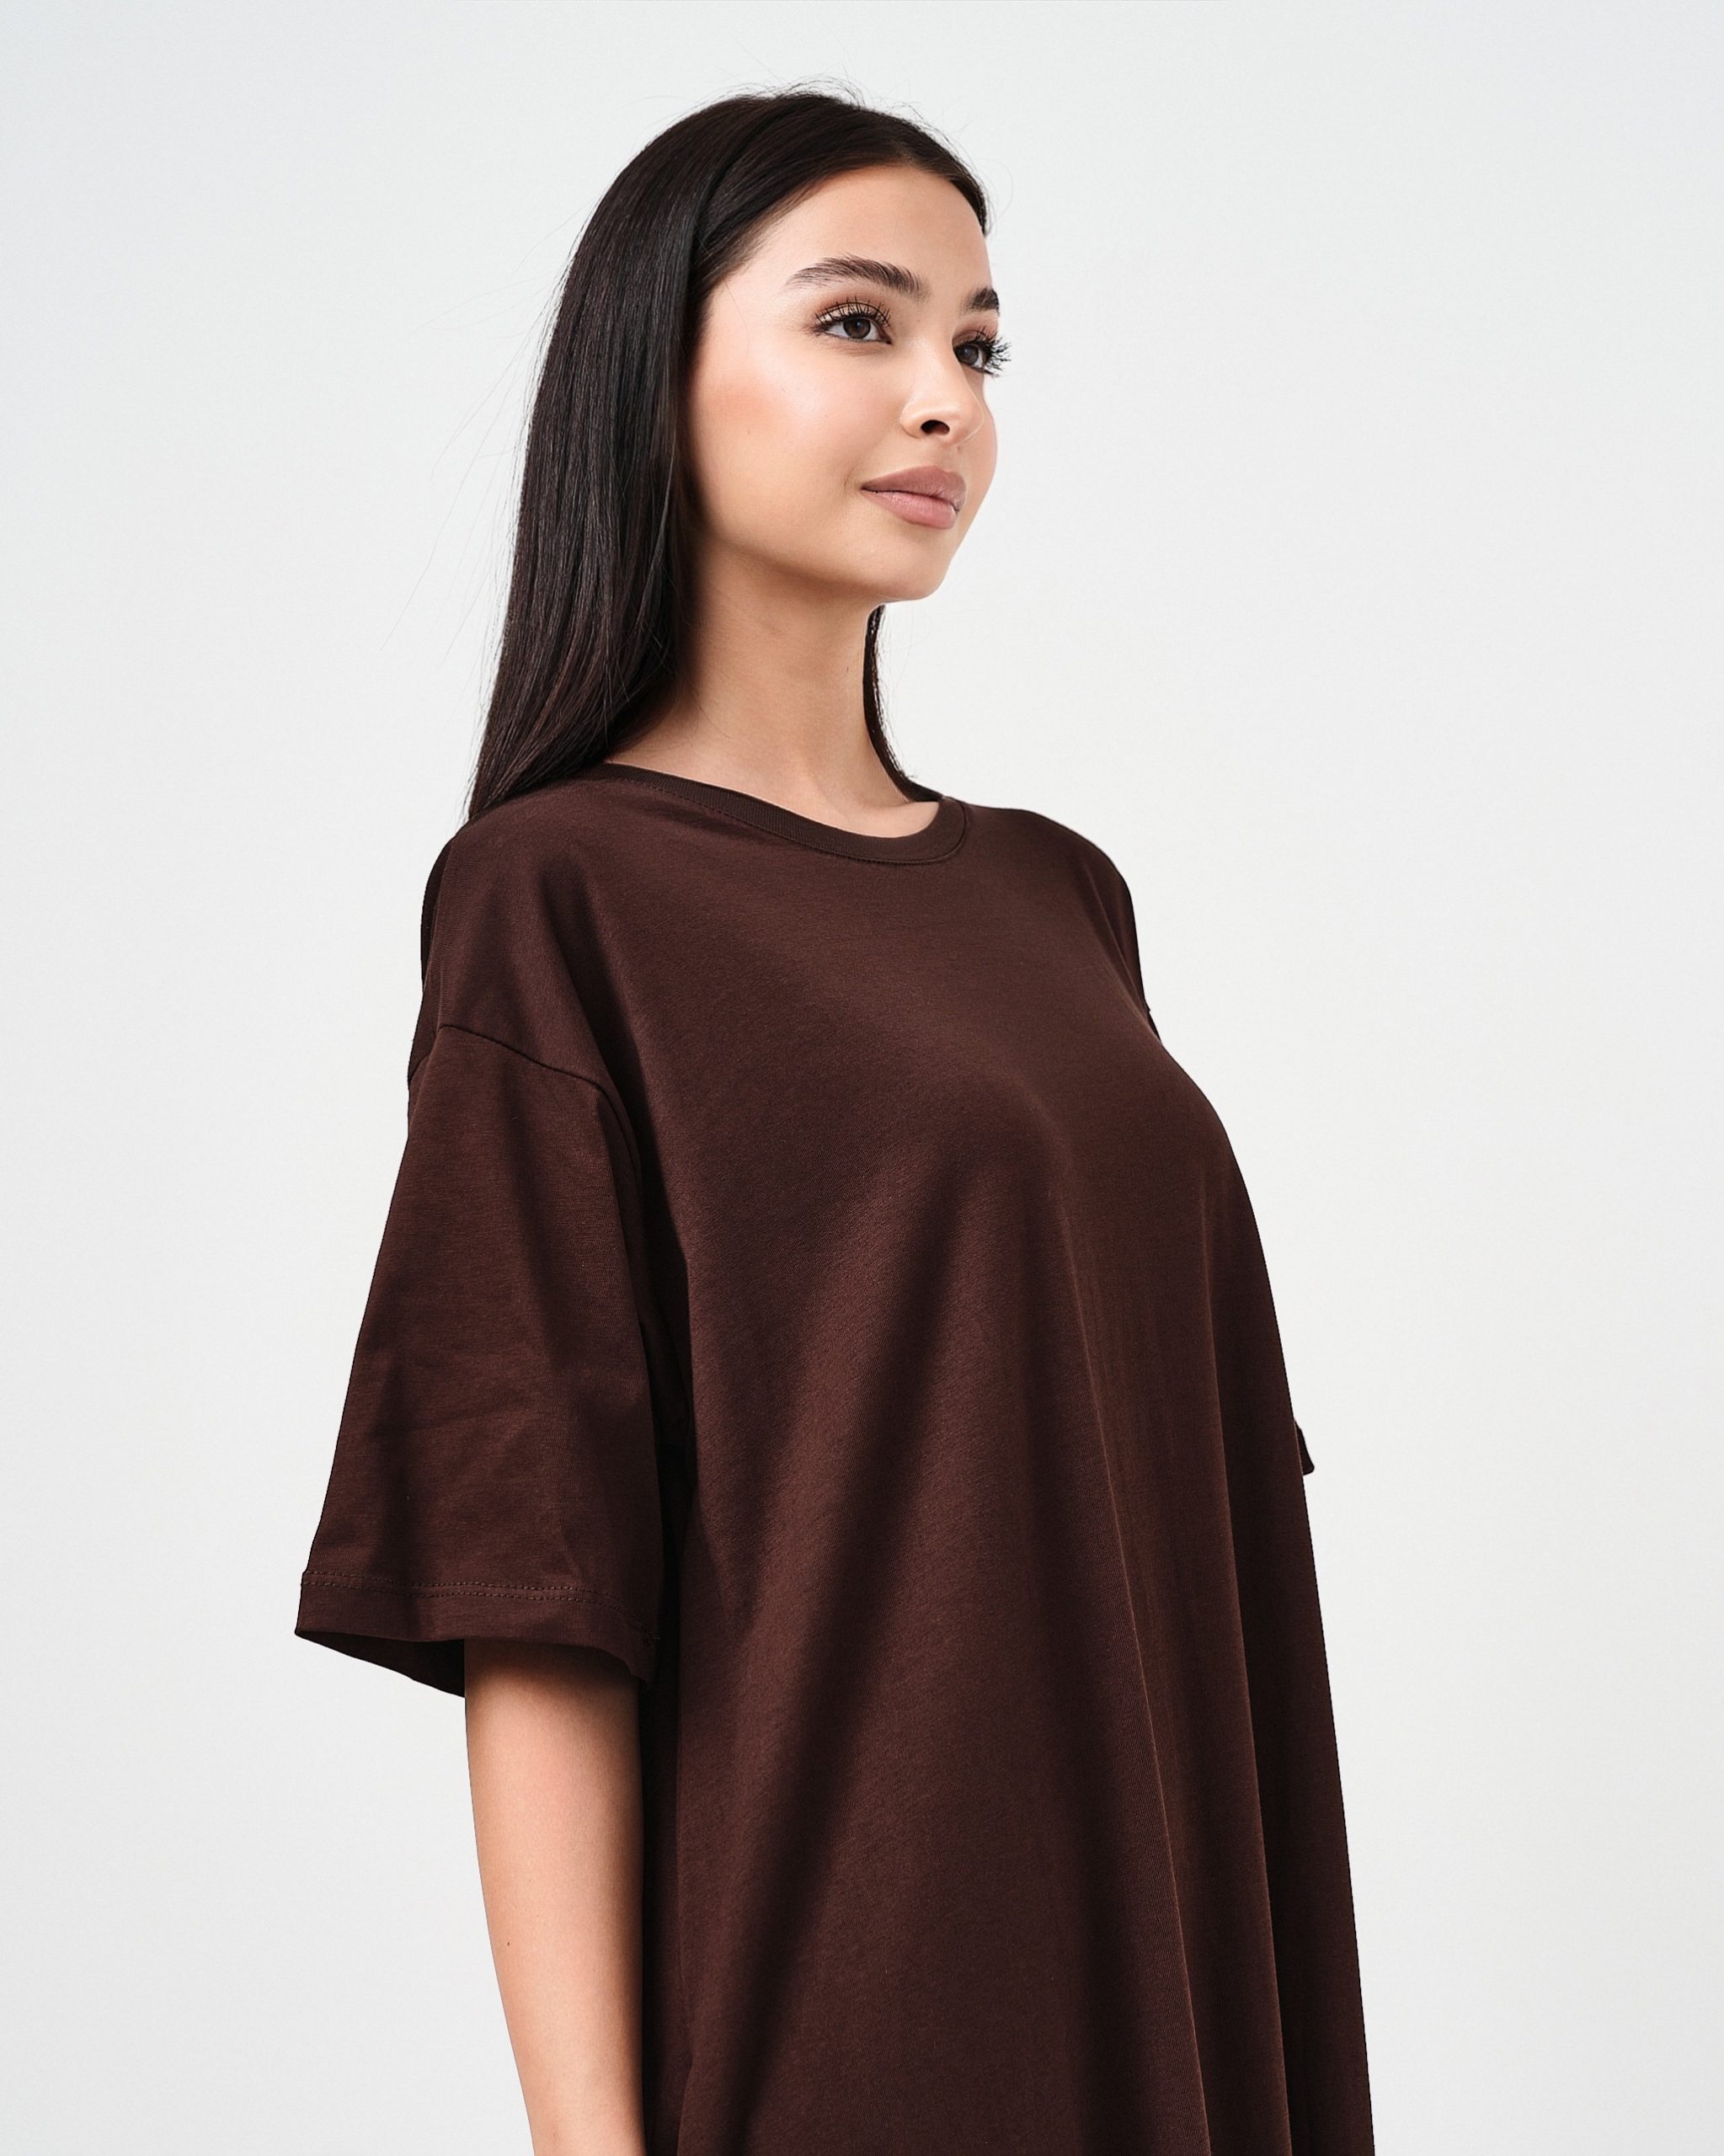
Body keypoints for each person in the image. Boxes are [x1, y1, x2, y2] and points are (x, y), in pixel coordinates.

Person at [294, 84, 1376, 2156]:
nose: (944, 398)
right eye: (859, 323)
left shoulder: (1058, 896)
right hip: (863, 2019)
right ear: (654, 373)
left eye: (978, 344)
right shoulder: (561, 896)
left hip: (1182, 1969)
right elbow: (538, 1585)